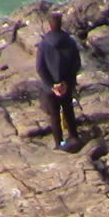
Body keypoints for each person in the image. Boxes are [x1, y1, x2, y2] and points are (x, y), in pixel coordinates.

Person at [35, 12, 82, 150]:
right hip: (66, 85)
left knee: (54, 115)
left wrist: (52, 85)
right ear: (61, 24)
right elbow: (76, 64)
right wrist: (66, 83)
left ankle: (59, 143)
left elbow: (40, 68)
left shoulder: (43, 45)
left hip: (50, 88)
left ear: (49, 26)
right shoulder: (70, 42)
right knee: (68, 111)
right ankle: (74, 137)